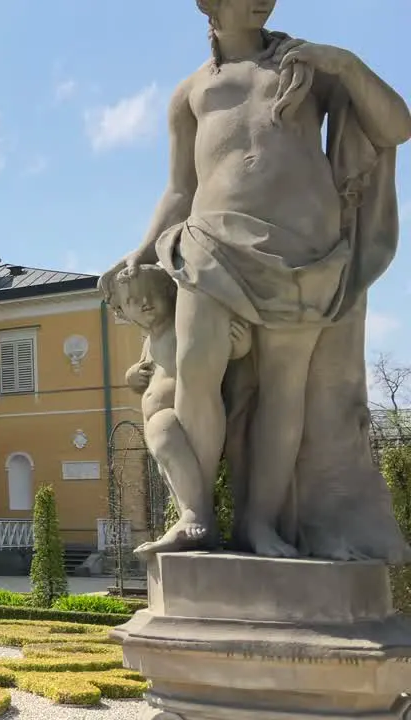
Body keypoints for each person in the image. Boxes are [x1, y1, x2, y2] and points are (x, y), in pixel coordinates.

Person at [101, 0, 411, 559]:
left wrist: (344, 63)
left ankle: (260, 524)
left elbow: (396, 126)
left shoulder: (308, 65)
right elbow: (179, 188)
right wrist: (144, 247)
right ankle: (195, 515)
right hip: (209, 243)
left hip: (304, 253)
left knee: (284, 393)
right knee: (196, 368)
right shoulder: (191, 92)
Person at [107, 264, 249, 553]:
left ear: (171, 293)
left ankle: (195, 516)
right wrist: (132, 377)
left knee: (168, 440)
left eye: (152, 294)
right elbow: (145, 376)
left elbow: (216, 350)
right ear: (125, 309)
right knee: (177, 480)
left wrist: (241, 345)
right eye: (134, 301)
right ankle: (197, 524)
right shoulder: (149, 341)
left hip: (182, 417)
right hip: (159, 424)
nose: (145, 303)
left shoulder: (180, 326)